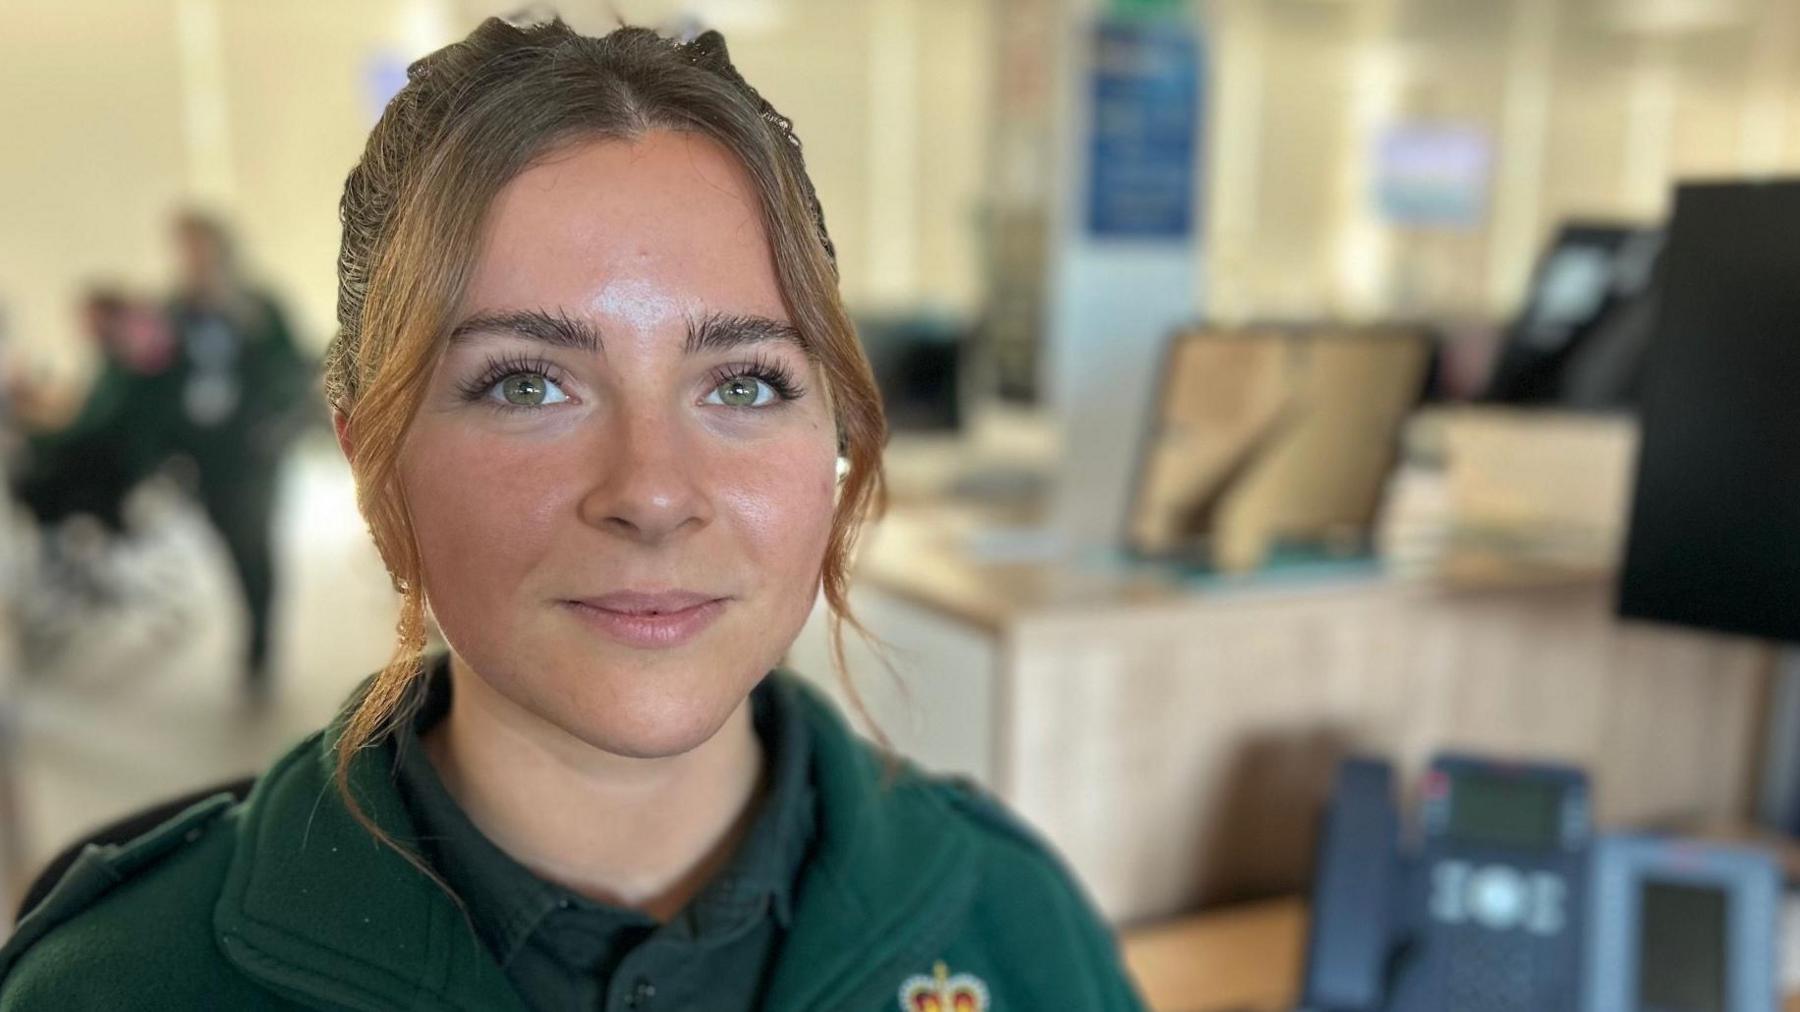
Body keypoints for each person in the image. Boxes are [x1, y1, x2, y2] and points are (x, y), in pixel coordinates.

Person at [0, 18, 1145, 1011]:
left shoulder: (1017, 923)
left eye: (745, 382)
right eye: (524, 383)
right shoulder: (118, 982)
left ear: (833, 435)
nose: (651, 490)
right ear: (374, 461)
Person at [163, 211, 312, 697]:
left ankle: (260, 643)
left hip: (256, 449)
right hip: (204, 454)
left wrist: (278, 426)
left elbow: (294, 367)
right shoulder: (173, 312)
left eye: (199, 247)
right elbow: (155, 379)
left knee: (256, 543)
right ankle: (251, 619)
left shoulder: (258, 305)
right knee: (230, 541)